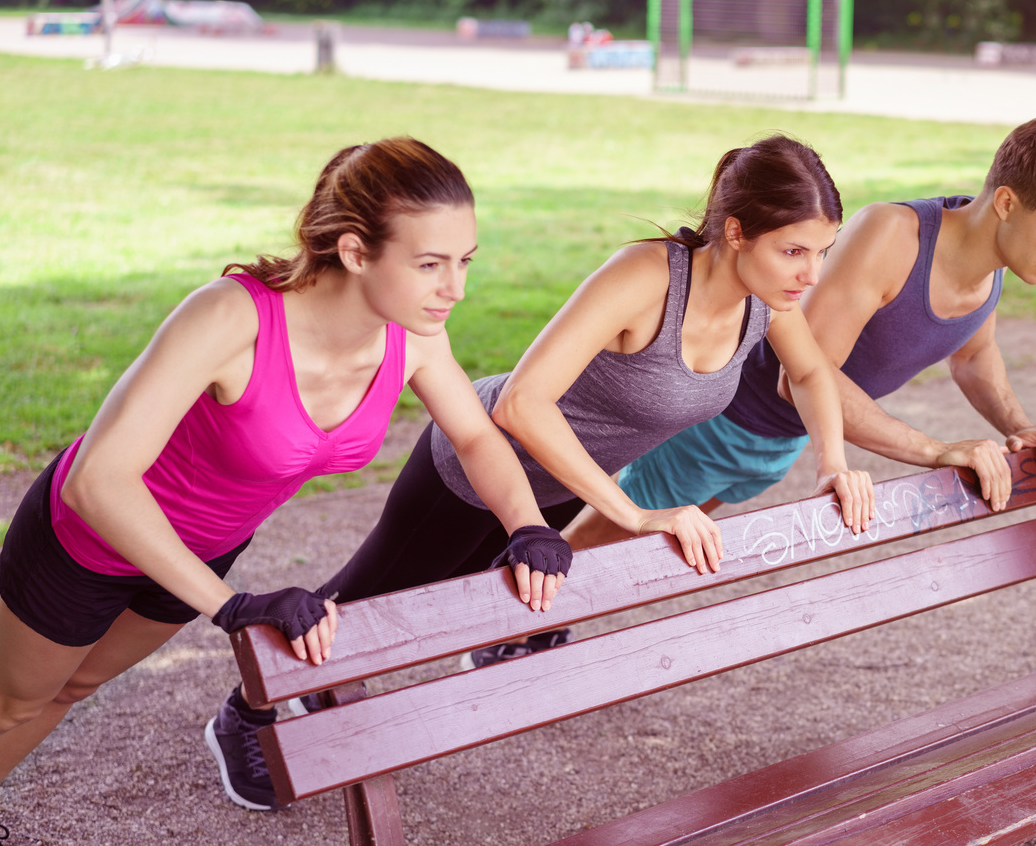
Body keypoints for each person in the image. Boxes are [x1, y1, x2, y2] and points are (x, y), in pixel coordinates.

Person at [205, 133, 876, 809]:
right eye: (794, 250)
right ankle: (245, 711)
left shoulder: (766, 303)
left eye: (823, 250)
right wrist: (636, 515)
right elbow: (524, 402)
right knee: (376, 597)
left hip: (557, 482)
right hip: (478, 461)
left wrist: (833, 465)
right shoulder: (646, 279)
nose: (811, 273)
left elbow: (813, 371)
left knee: (463, 598)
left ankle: (328, 681)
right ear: (736, 232)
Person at [0, 138, 556, 827]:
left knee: (74, 686)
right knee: (10, 702)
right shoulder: (232, 318)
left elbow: (472, 436)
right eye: (430, 264)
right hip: (89, 542)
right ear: (354, 251)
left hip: (198, 555)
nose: (455, 289)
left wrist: (527, 524)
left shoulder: (414, 335)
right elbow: (96, 480)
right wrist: (230, 607)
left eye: (465, 262)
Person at [568, 116, 1036, 550]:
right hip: (729, 421)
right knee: (603, 545)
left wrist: (1022, 428)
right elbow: (803, 374)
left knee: (638, 550)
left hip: (782, 441)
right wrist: (937, 449)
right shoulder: (894, 237)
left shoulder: (994, 258)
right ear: (1006, 204)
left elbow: (974, 356)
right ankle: (509, 636)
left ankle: (530, 628)